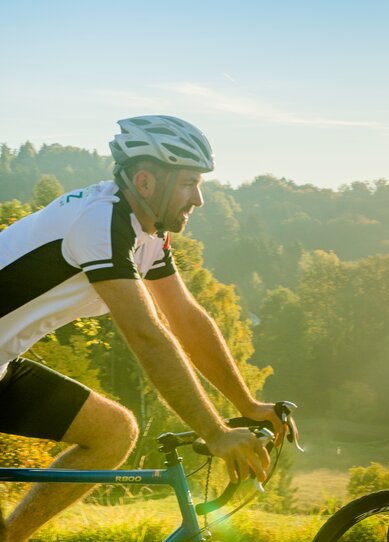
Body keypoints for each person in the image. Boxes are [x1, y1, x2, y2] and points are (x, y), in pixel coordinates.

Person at [0, 115, 286, 542]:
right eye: (190, 183)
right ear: (147, 181)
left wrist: (247, 402)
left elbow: (186, 319)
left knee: (113, 432)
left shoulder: (146, 233)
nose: (200, 199)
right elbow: (147, 334)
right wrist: (216, 433)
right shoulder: (100, 222)